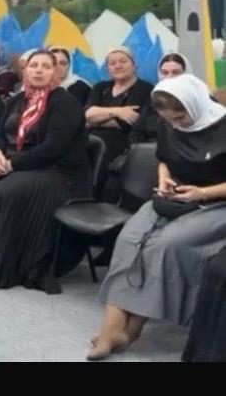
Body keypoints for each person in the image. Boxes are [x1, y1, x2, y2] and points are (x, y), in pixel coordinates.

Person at [89, 74, 226, 360]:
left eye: (180, 118)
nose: (176, 125)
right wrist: (164, 179)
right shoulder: (168, 123)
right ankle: (112, 327)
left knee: (164, 245)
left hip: (217, 203)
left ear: (195, 105)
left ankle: (133, 327)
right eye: (169, 120)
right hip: (176, 197)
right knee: (129, 238)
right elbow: (164, 158)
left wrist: (202, 193)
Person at [0, 50, 89, 294]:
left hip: (57, 171)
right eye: (34, 65)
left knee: (2, 193)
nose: (39, 70)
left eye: (46, 66)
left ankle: (13, 265)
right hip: (17, 161)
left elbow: (51, 149)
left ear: (55, 72)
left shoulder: (64, 102)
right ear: (25, 70)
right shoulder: (18, 99)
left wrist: (11, 165)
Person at [85, 47, 154, 175]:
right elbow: (87, 115)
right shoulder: (100, 87)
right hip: (90, 141)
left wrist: (95, 120)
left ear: (134, 65)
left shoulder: (144, 89)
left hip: (123, 144)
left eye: (123, 61)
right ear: (108, 69)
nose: (118, 66)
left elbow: (128, 122)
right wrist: (118, 112)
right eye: (112, 63)